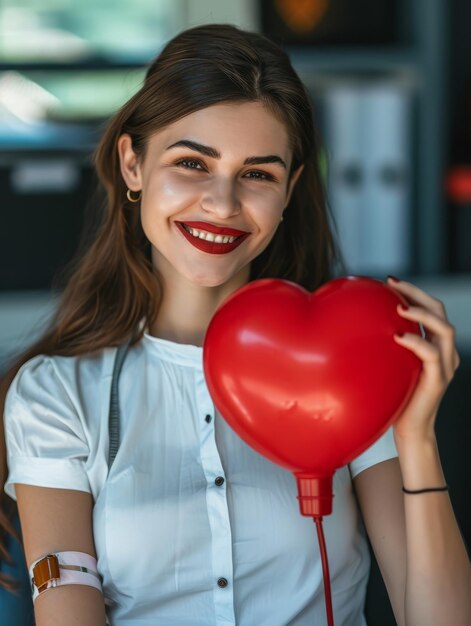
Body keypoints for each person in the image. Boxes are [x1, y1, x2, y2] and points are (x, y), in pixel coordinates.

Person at [0, 23, 470, 626]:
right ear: (133, 164)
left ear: (289, 190)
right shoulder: (56, 395)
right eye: (193, 162)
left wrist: (415, 437)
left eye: (258, 173)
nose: (222, 204)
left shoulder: (350, 366)